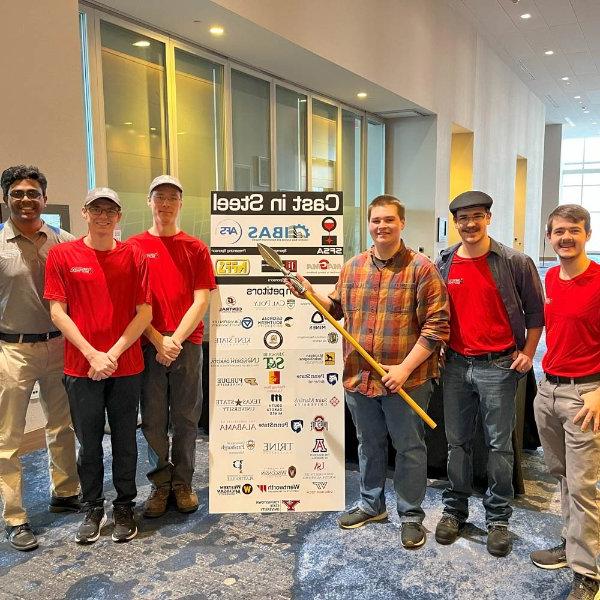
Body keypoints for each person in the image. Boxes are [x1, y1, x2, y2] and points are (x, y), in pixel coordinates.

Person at [286, 194, 449, 549]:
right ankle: (371, 504)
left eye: (389, 219)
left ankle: (410, 515)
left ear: (402, 223)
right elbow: (336, 308)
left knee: (408, 448)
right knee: (369, 443)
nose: (382, 226)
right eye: (376, 220)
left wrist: (404, 369)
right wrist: (310, 293)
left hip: (406, 380)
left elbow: (437, 327)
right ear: (369, 224)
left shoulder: (422, 268)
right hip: (359, 377)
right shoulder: (353, 267)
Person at [435, 190, 544, 557]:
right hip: (454, 365)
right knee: (457, 444)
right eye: (462, 218)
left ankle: (498, 518)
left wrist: (528, 353)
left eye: (476, 216)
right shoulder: (445, 262)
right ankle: (455, 512)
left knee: (499, 446)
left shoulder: (515, 261)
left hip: (499, 366)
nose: (469, 224)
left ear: (489, 218)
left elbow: (535, 314)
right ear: (456, 222)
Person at [44, 187, 152, 545]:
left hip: (126, 366)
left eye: (110, 211)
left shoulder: (134, 256)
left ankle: (124, 506)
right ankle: (92, 507)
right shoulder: (62, 255)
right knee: (88, 444)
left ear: (118, 216)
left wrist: (114, 353)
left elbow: (144, 313)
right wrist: (92, 354)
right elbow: (57, 311)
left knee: (125, 441)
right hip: (81, 367)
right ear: (84, 212)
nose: (103, 216)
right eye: (96, 209)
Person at [0, 165, 80, 552]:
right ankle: (15, 516)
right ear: (6, 199)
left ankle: (65, 492)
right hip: (12, 349)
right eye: (18, 194)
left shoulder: (64, 242)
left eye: (33, 194)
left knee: (61, 426)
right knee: (8, 438)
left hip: (58, 346)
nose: (26, 200)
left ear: (44, 199)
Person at [127, 175, 215, 517]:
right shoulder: (133, 247)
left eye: (172, 198)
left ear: (180, 204)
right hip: (148, 345)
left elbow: (201, 300)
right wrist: (157, 339)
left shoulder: (195, 248)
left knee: (186, 418)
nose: (165, 204)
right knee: (151, 419)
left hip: (186, 346)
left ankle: (183, 483)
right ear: (149, 202)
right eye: (159, 197)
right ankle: (160, 486)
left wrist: (174, 340)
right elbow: (130, 304)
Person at [529, 205, 599, 600]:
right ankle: (572, 544)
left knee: (584, 485)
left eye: (573, 230)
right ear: (549, 237)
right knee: (562, 476)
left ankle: (588, 572)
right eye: (558, 231)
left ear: (587, 233)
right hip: (548, 389)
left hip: (586, 395)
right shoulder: (551, 277)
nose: (565, 237)